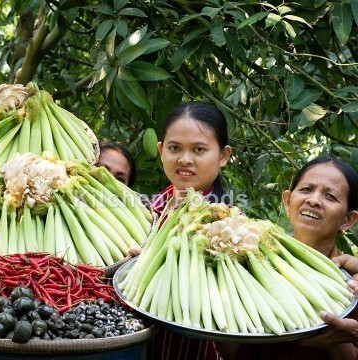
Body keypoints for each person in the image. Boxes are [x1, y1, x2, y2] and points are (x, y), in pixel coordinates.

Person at [220, 155, 358, 360]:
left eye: (330, 196)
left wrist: (337, 335)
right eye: (306, 189)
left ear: (348, 220)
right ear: (287, 201)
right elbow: (232, 348)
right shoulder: (247, 261)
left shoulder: (350, 286)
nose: (313, 200)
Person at [133, 101, 231, 359]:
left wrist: (150, 261)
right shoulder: (146, 212)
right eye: (174, 148)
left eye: (199, 149)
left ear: (223, 156)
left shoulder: (231, 229)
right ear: (160, 150)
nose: (184, 159)